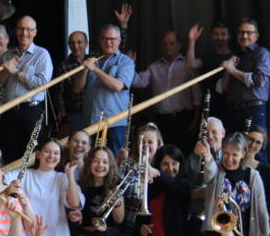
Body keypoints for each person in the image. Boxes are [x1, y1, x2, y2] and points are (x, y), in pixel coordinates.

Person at [131, 26, 203, 155]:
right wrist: (130, 65)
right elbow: (138, 82)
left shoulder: (187, 65)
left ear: (179, 45)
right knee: (162, 154)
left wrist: (196, 118)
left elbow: (196, 93)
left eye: (171, 43)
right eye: (164, 44)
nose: (168, 47)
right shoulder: (154, 67)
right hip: (161, 120)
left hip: (183, 118)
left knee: (183, 153)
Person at [0, 16, 53, 159]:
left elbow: (41, 84)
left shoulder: (42, 54)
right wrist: (6, 71)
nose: (24, 33)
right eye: (21, 29)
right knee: (9, 155)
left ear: (35, 32)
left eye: (28, 29)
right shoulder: (7, 54)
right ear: (15, 31)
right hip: (9, 112)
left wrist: (16, 72)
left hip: (31, 111)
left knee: (30, 157)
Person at [75, 24, 134, 154]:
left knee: (114, 163)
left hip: (114, 124)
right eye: (105, 39)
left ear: (119, 40)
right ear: (100, 40)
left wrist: (95, 70)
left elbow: (117, 86)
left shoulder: (126, 62)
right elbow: (77, 89)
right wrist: (85, 69)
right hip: (91, 123)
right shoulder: (92, 60)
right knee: (91, 163)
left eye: (112, 39)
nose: (108, 42)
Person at [218, 18, 270, 134]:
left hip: (253, 110)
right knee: (233, 149)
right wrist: (228, 70)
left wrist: (232, 70)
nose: (244, 36)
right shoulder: (236, 56)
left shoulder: (262, 53)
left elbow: (259, 80)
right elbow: (223, 88)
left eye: (249, 32)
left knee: (255, 150)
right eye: (241, 32)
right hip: (233, 111)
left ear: (256, 36)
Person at [54, 30, 89, 135]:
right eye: (72, 43)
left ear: (86, 44)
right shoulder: (64, 65)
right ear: (69, 45)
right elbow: (58, 91)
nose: (76, 46)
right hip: (74, 112)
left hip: (93, 111)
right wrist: (60, 110)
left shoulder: (94, 60)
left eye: (79, 42)